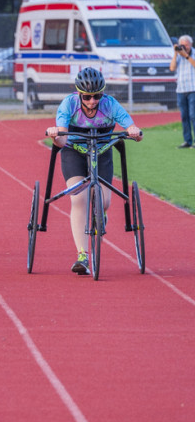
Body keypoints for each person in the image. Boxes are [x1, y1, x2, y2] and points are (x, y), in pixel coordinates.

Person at [45, 67, 142, 275]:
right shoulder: (68, 105)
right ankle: (83, 255)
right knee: (77, 198)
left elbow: (131, 126)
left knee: (105, 201)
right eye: (87, 97)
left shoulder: (110, 104)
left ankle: (101, 214)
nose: (92, 102)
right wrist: (55, 135)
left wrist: (133, 130)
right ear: (79, 94)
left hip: (101, 151)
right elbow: (61, 141)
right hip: (74, 151)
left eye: (97, 96)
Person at [170, 34, 195, 149]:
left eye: (186, 45)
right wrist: (176, 54)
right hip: (181, 89)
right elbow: (172, 68)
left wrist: (186, 56)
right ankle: (187, 141)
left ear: (191, 44)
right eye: (182, 45)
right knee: (184, 116)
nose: (184, 47)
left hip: (193, 89)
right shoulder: (178, 55)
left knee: (193, 116)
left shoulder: (193, 54)